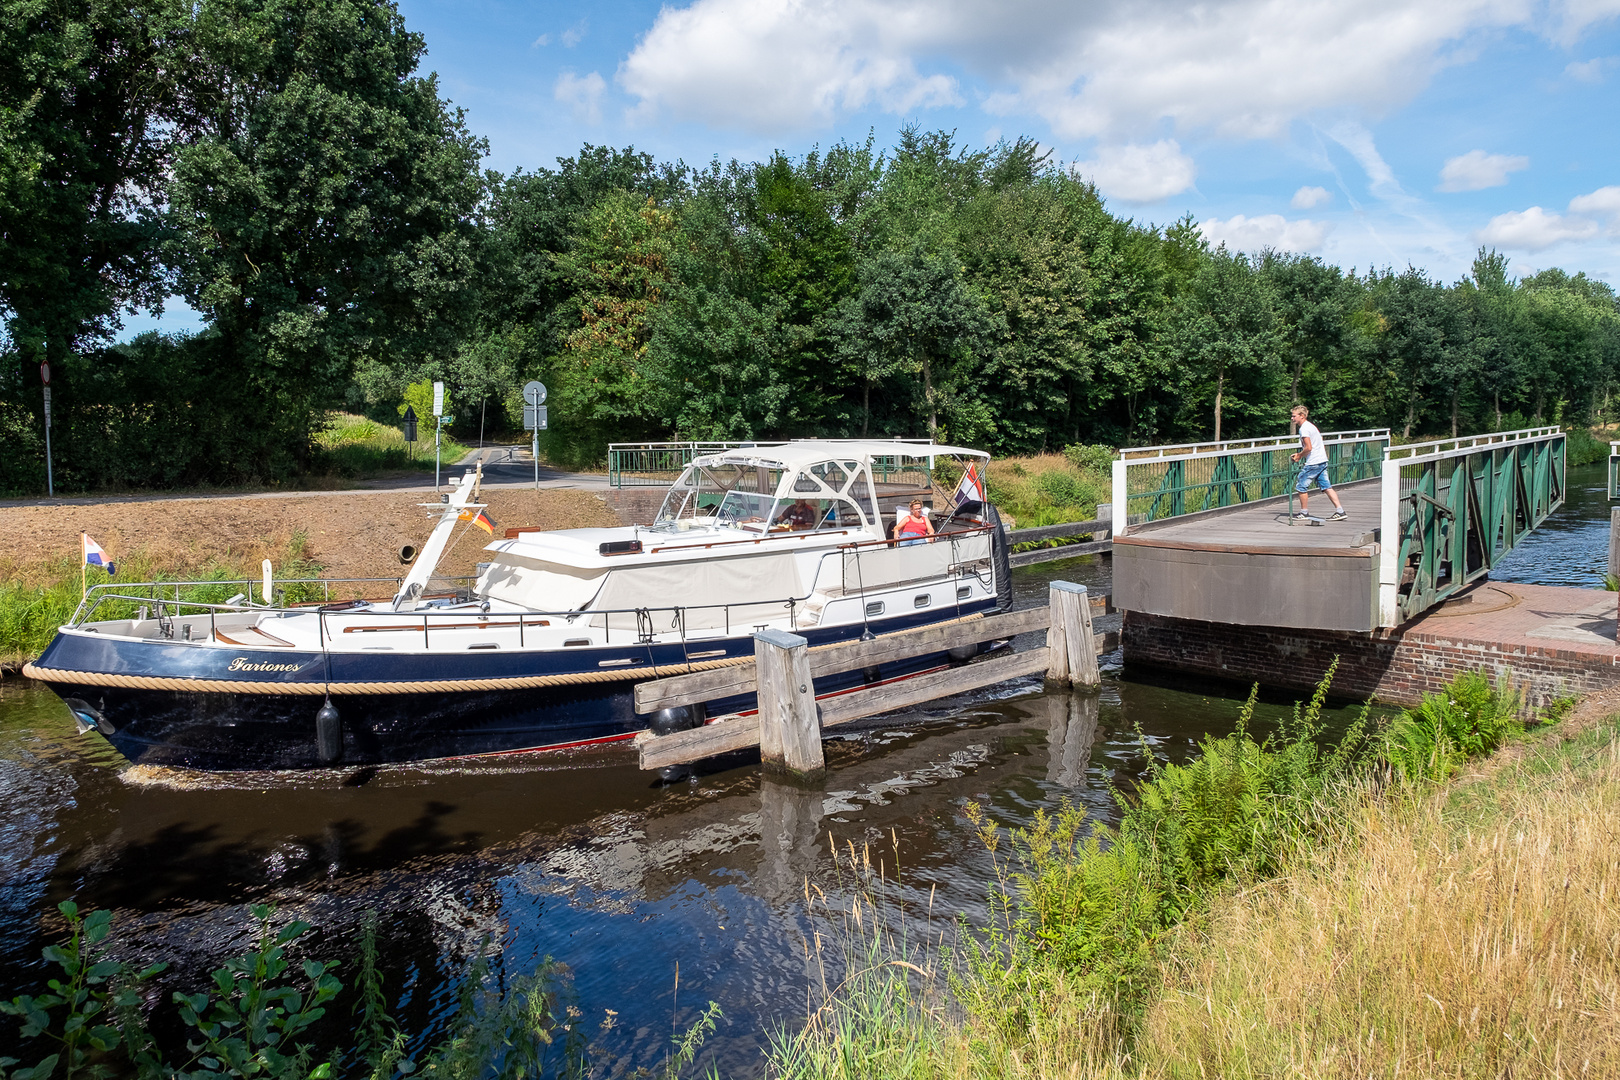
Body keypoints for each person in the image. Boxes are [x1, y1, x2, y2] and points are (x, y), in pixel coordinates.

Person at [1289, 404, 1346, 520]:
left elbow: (1309, 447)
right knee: (1326, 487)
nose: (1292, 418)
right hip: (1322, 460)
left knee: (1301, 485)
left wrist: (1299, 455)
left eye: (1294, 416)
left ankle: (1304, 512)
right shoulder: (1311, 426)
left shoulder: (1304, 429)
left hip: (1314, 462)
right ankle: (1340, 511)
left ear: (1302, 416)